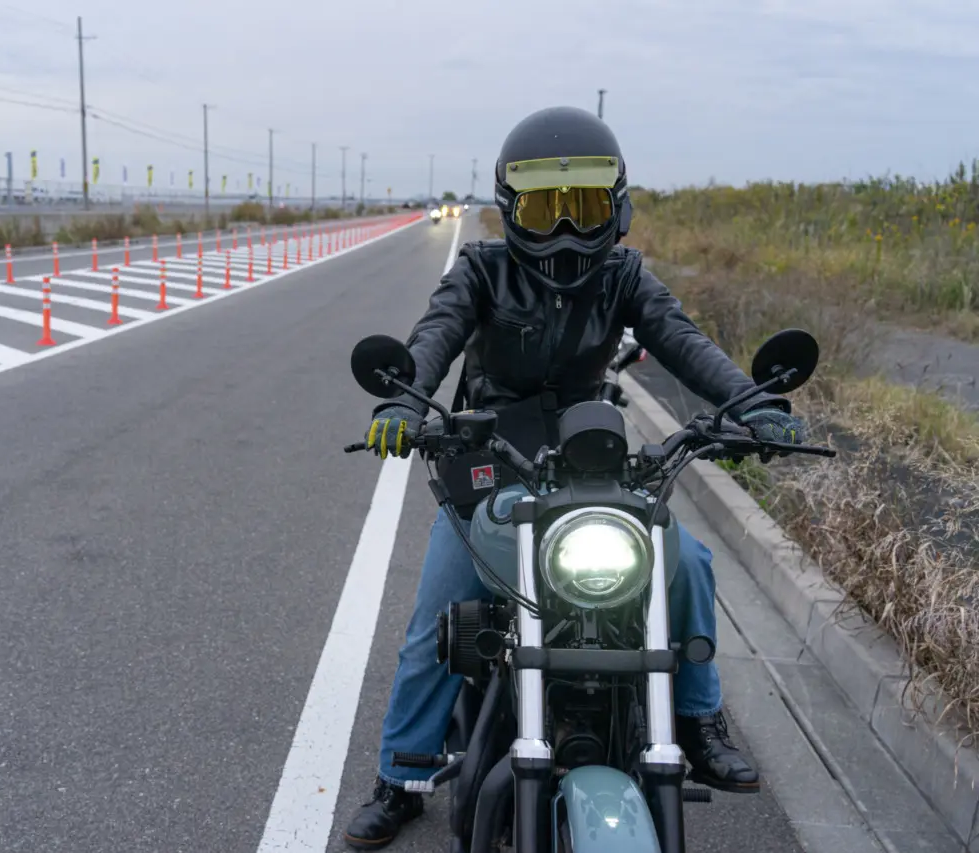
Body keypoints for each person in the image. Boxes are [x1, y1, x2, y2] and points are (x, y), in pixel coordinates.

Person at [343, 106, 807, 851]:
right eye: (543, 207)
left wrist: (754, 404)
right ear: (510, 209)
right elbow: (434, 335)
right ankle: (400, 776)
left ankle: (697, 715)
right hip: (491, 466)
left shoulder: (624, 275)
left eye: (583, 205)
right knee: (441, 609)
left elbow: (683, 341)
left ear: (614, 207)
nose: (564, 228)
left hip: (593, 464)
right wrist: (406, 398)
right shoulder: (480, 271)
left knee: (684, 561)